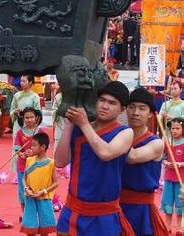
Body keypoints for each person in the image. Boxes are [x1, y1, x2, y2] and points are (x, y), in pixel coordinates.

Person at [55, 81, 135, 235]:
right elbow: (60, 161)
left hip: (104, 216)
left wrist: (84, 124)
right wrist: (69, 127)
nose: (105, 106)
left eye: (112, 103)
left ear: (122, 109)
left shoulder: (125, 133)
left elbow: (105, 153)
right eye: (102, 100)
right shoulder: (79, 128)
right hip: (72, 212)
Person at [121, 87, 167, 235]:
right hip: (113, 205)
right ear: (125, 110)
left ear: (150, 114)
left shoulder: (156, 143)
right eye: (131, 107)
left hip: (140, 211)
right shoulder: (118, 135)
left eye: (142, 108)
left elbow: (132, 157)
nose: (135, 112)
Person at [21, 132, 58, 235]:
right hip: (30, 197)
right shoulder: (29, 160)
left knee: (45, 228)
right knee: (30, 227)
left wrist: (43, 191)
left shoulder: (51, 163)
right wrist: (26, 189)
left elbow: (55, 183)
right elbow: (24, 179)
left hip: (44, 198)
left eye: (34, 145)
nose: (31, 147)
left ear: (43, 147)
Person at [9, 74, 41, 180]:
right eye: (21, 81)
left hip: (31, 125)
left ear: (30, 82)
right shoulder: (17, 95)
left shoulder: (35, 96)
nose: (21, 83)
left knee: (31, 147)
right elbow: (11, 110)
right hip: (19, 124)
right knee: (17, 148)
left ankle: (32, 169)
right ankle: (17, 173)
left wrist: (33, 121)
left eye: (24, 81)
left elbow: (38, 112)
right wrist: (15, 112)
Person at [14, 107, 43, 214]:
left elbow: (44, 148)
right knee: (23, 191)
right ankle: (25, 213)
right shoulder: (20, 132)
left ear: (37, 118)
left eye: (31, 117)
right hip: (23, 166)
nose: (29, 120)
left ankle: (36, 212)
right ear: (23, 119)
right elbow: (17, 147)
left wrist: (34, 153)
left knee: (36, 189)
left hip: (37, 166)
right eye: (27, 117)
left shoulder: (40, 132)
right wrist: (21, 153)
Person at [161, 117, 184, 234]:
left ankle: (179, 228)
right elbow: (163, 157)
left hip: (181, 179)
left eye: (177, 128)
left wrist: (179, 164)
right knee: (168, 202)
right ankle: (168, 226)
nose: (174, 131)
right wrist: (166, 163)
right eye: (172, 128)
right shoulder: (168, 142)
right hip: (169, 178)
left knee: (180, 204)